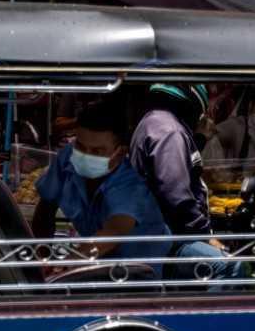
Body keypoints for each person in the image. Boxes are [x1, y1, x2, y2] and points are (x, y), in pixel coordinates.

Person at [32, 102, 172, 278]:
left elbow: (112, 232)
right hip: (92, 264)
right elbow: (46, 208)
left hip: (136, 274)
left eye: (97, 151)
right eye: (81, 146)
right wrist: (40, 260)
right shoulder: (67, 158)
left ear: (119, 153)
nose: (86, 155)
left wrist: (64, 265)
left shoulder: (130, 187)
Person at [128, 84, 239, 278]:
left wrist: (200, 138)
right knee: (231, 266)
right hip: (170, 238)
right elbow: (176, 195)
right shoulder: (170, 131)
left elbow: (180, 160)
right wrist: (205, 236)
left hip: (156, 234)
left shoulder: (155, 122)